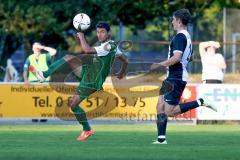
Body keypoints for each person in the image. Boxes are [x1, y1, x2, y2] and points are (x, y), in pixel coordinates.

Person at [29, 21, 128, 140]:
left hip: (92, 80)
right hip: (88, 72)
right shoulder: (112, 45)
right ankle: (44, 75)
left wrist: (81, 36)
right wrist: (121, 73)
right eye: (98, 32)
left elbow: (87, 50)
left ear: (109, 33)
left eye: (102, 32)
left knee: (73, 104)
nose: (99, 34)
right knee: (68, 58)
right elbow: (125, 60)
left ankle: (87, 129)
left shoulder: (108, 46)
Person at [151, 9, 217, 144]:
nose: (172, 22)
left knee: (170, 111)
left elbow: (177, 57)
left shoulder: (180, 37)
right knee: (160, 106)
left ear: (179, 21)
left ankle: (201, 102)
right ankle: (161, 139)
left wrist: (160, 65)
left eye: (173, 19)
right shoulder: (186, 36)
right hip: (172, 76)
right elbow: (190, 57)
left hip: (177, 77)